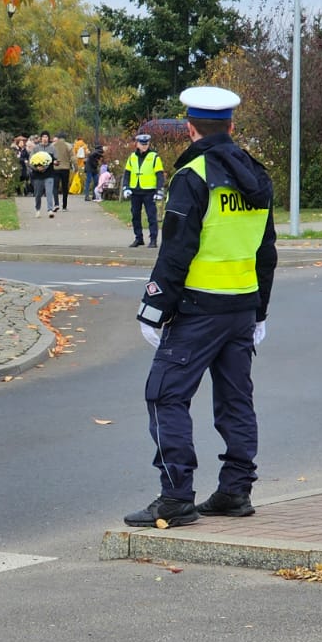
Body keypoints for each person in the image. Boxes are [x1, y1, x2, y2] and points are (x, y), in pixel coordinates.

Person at [124, 86, 277, 531]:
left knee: (164, 393)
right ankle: (235, 491)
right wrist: (260, 311)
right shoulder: (257, 175)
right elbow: (266, 250)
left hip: (198, 310)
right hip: (242, 309)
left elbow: (176, 251)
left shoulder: (193, 175)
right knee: (235, 399)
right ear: (230, 126)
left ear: (190, 128)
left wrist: (153, 307)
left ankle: (175, 497)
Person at [122, 133, 165, 248]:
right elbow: (127, 174)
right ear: (137, 144)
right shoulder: (132, 157)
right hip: (135, 191)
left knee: (151, 216)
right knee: (135, 216)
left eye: (146, 144)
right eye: (142, 144)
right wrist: (126, 187)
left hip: (149, 191)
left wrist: (159, 191)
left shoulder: (154, 157)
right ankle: (138, 238)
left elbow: (160, 175)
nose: (145, 146)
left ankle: (153, 239)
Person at [28, 144, 57, 217]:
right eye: (43, 137)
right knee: (38, 194)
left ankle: (50, 210)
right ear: (41, 138)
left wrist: (55, 163)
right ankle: (38, 209)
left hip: (49, 175)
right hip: (37, 175)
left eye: (46, 137)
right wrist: (36, 168)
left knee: (49, 192)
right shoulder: (35, 149)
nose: (45, 138)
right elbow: (30, 162)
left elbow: (55, 159)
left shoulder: (52, 148)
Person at [48, 132, 72, 211]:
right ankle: (64, 206)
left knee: (55, 187)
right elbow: (73, 157)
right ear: (64, 138)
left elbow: (49, 156)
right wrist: (76, 167)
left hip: (55, 168)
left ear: (58, 138)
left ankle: (56, 204)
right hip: (65, 168)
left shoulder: (52, 146)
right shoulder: (68, 146)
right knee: (65, 187)